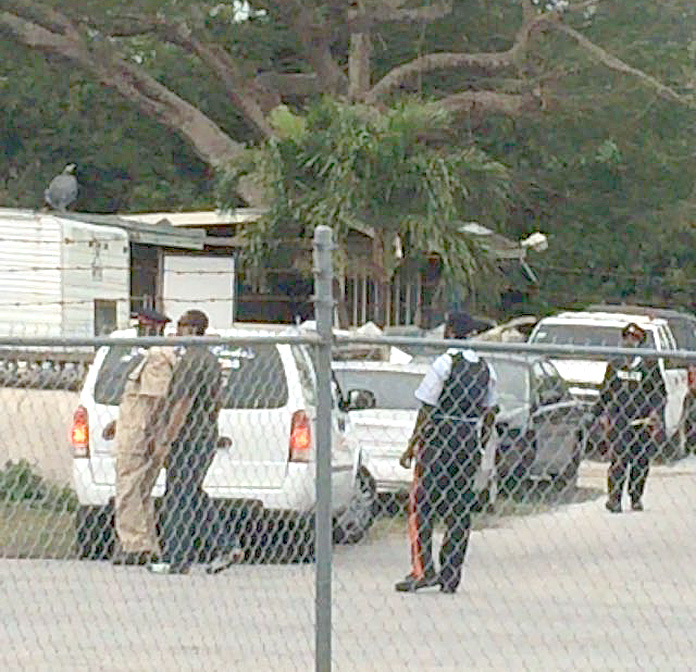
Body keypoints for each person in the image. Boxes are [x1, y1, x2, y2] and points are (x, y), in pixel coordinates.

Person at [395, 311, 497, 595]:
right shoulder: (486, 368)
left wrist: (412, 444)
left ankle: (423, 570)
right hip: (467, 442)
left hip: (440, 440)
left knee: (422, 506)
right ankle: (451, 575)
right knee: (459, 510)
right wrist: (480, 443)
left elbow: (427, 407)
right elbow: (490, 410)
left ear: (451, 331)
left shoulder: (445, 362)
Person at [148, 309, 226, 575]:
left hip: (188, 438)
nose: (177, 331)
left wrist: (166, 440)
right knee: (191, 491)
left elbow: (183, 403)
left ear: (192, 329)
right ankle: (225, 545)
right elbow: (216, 402)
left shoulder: (191, 361)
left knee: (178, 496)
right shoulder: (212, 361)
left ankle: (176, 558)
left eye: (181, 326)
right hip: (205, 434)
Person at [107, 308, 179, 566]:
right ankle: (146, 542)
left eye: (143, 328)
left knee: (129, 488)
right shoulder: (152, 356)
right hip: (135, 428)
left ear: (153, 329)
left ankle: (134, 544)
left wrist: (151, 435)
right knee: (140, 491)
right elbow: (140, 400)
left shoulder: (158, 357)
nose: (140, 334)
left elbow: (157, 400)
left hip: (140, 434)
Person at [592, 322, 666, 513]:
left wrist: (655, 414)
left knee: (640, 462)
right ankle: (614, 499)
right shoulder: (615, 364)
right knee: (618, 460)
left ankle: (635, 497)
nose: (629, 342)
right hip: (620, 420)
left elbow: (660, 394)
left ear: (640, 342)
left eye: (634, 339)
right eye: (627, 338)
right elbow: (606, 392)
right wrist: (599, 413)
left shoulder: (649, 365)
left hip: (642, 421)